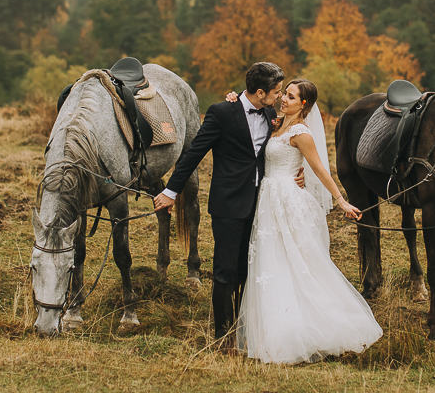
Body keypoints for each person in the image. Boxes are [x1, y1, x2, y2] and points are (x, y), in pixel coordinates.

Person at [232, 79, 383, 364]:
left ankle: (312, 328)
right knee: (270, 261)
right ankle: (271, 328)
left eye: (290, 96)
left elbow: (321, 170)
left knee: (296, 262)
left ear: (304, 104)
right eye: (284, 94)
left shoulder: (301, 132)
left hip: (287, 201)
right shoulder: (276, 124)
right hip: (268, 199)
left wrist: (341, 201)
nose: (283, 99)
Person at [153, 62, 304, 346]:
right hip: (228, 205)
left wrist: (299, 168)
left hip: (262, 205)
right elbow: (194, 153)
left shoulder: (272, 113)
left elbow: (287, 143)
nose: (280, 97)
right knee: (225, 271)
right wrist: (172, 191)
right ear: (260, 92)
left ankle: (245, 330)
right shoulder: (221, 112)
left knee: (249, 270)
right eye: (276, 92)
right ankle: (222, 336)